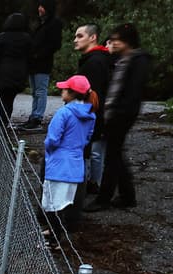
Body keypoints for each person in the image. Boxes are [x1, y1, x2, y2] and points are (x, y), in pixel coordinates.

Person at [85, 23, 152, 211]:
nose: (112, 43)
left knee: (112, 156)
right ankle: (127, 195)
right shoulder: (121, 58)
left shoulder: (138, 61)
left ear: (126, 42)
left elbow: (132, 91)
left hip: (122, 114)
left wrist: (119, 112)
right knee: (116, 153)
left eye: (116, 40)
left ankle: (104, 198)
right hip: (113, 111)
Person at [41, 75, 96, 244]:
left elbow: (53, 139)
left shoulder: (64, 112)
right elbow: (87, 138)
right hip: (76, 164)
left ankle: (54, 240)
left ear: (72, 94)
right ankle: (55, 234)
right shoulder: (90, 115)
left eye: (64, 89)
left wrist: (49, 150)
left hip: (58, 164)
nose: (61, 91)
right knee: (64, 202)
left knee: (52, 203)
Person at [73, 23, 111, 192]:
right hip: (94, 115)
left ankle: (91, 184)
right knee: (93, 151)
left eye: (80, 36)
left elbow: (93, 94)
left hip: (93, 115)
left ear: (93, 37)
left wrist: (83, 114)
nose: (75, 40)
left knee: (92, 151)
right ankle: (92, 182)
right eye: (75, 36)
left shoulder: (95, 62)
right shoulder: (93, 59)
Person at [19, 1, 63, 130]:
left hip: (42, 63)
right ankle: (33, 115)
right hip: (34, 63)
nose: (39, 9)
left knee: (40, 91)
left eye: (42, 6)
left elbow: (55, 44)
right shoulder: (41, 24)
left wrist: (39, 55)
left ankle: (37, 117)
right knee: (35, 92)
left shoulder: (54, 24)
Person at [0, 13, 32, 126]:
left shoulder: (1, 37)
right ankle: (5, 121)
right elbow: (30, 55)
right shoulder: (26, 38)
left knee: (1, 98)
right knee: (10, 98)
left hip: (3, 73)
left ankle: (3, 121)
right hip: (19, 73)